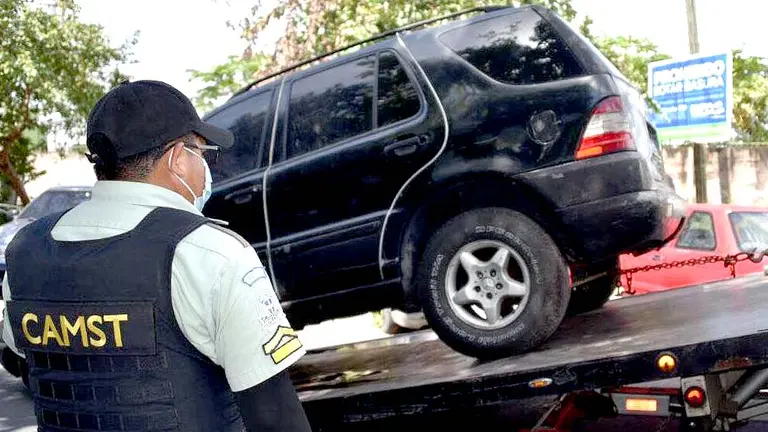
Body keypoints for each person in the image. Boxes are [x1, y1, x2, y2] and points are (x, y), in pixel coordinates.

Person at [0, 80, 312, 431]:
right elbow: (277, 418)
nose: (206, 168)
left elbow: (21, 351)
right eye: (203, 153)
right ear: (178, 159)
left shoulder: (25, 252)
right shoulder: (210, 255)